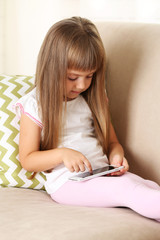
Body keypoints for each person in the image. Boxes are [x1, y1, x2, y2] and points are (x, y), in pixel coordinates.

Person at [15, 17, 160, 222]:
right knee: (131, 191)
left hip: (100, 174)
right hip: (68, 183)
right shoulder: (35, 104)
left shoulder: (92, 100)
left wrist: (117, 157)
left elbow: (112, 143)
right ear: (52, 69)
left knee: (150, 187)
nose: (82, 85)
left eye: (89, 76)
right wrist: (62, 154)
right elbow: (28, 159)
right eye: (73, 77)